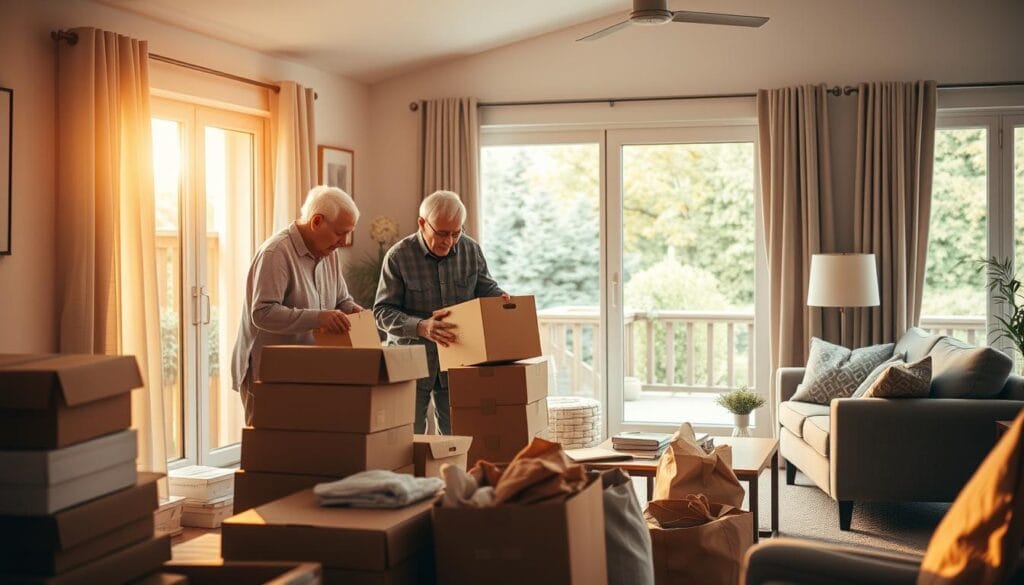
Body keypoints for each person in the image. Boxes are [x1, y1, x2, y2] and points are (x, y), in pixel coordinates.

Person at [374, 190, 509, 435]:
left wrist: (500, 298)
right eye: (442, 233)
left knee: (457, 436)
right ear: (422, 223)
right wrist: (421, 326)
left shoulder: (471, 250)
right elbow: (382, 312)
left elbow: (485, 287)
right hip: (410, 362)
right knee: (408, 437)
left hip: (459, 360)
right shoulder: (398, 257)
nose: (449, 241)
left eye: (456, 233)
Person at [231, 185, 363, 424]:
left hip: (309, 369)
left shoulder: (329, 253)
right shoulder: (276, 252)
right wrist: (319, 317)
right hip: (268, 373)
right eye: (340, 233)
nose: (344, 242)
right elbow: (262, 313)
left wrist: (351, 309)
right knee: (268, 453)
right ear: (317, 222)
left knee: (301, 451)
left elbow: (341, 299)